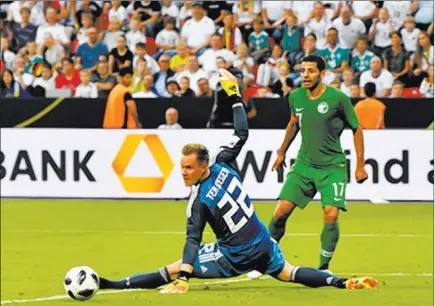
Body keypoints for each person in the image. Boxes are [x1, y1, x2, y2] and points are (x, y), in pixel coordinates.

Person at [97, 69, 378, 293]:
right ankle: (339, 282)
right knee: (288, 272)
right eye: (181, 167)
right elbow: (242, 132)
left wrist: (183, 277)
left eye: (188, 168)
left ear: (202, 166)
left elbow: (192, 241)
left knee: (173, 268)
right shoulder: (223, 161)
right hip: (264, 242)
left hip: (236, 256)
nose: (183, 172)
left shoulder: (198, 200)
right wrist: (235, 98)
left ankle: (114, 285)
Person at [248, 55, 369, 279]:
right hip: (304, 164)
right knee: (280, 212)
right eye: (303, 70)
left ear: (322, 74)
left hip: (332, 167)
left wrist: (360, 166)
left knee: (331, 214)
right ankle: (263, 260)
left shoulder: (338, 98)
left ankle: (324, 267)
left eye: (311, 71)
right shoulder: (295, 97)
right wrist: (281, 152)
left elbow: (357, 128)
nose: (305, 75)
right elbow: (294, 123)